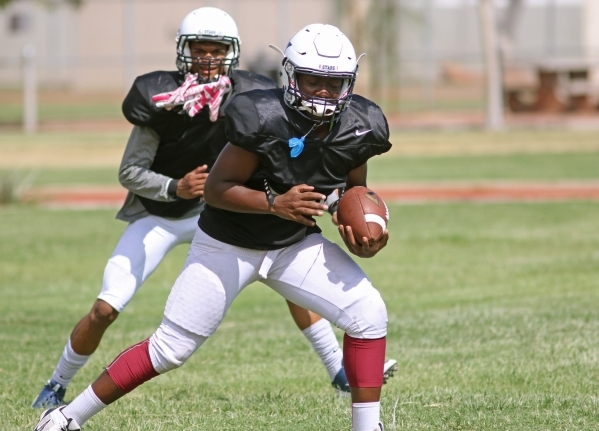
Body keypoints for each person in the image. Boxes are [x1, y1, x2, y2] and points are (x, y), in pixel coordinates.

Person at [32, 8, 396, 411]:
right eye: (314, 80)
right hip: (202, 230)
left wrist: (354, 223)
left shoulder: (344, 121)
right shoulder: (234, 111)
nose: (324, 92)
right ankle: (63, 406)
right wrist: (255, 199)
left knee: (365, 312)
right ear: (291, 77)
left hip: (285, 238)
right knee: (153, 338)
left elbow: (343, 186)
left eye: (335, 83)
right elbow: (186, 182)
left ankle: (354, 400)